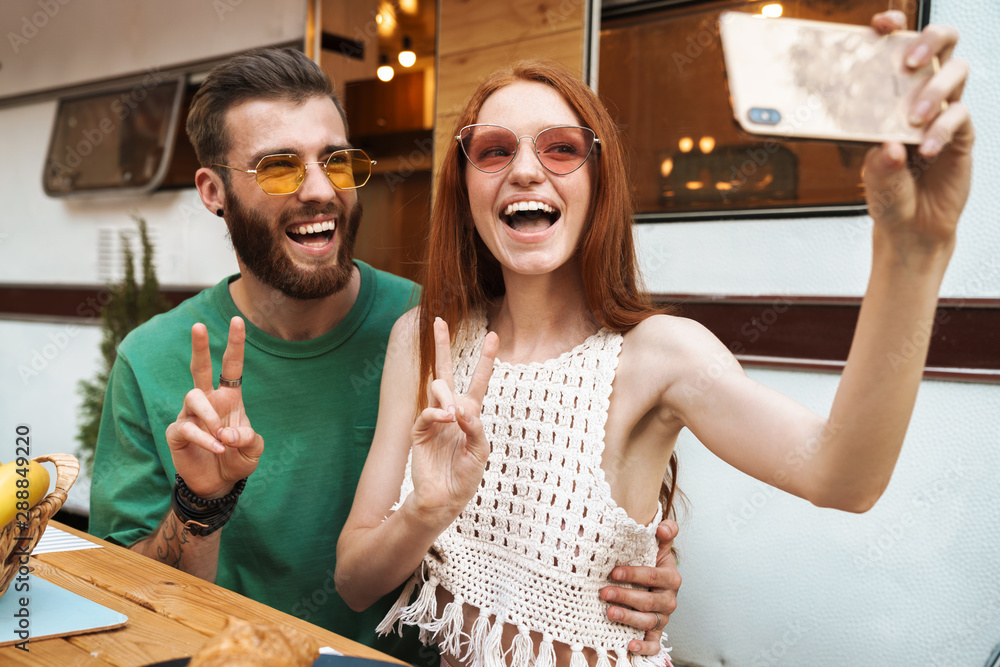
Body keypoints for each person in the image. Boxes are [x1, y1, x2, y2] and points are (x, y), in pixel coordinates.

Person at [332, 10, 973, 667]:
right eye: (495, 150)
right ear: (463, 185)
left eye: (559, 148)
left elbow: (843, 477)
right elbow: (355, 580)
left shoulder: (660, 354)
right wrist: (426, 510)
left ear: (599, 182)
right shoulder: (423, 341)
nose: (524, 169)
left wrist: (913, 250)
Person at [88, 48, 682, 666]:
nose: (319, 190)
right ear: (214, 191)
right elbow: (127, 602)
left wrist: (632, 572)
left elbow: (547, 503)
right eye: (279, 167)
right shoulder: (150, 360)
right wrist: (200, 506)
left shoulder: (439, 336)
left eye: (335, 161)